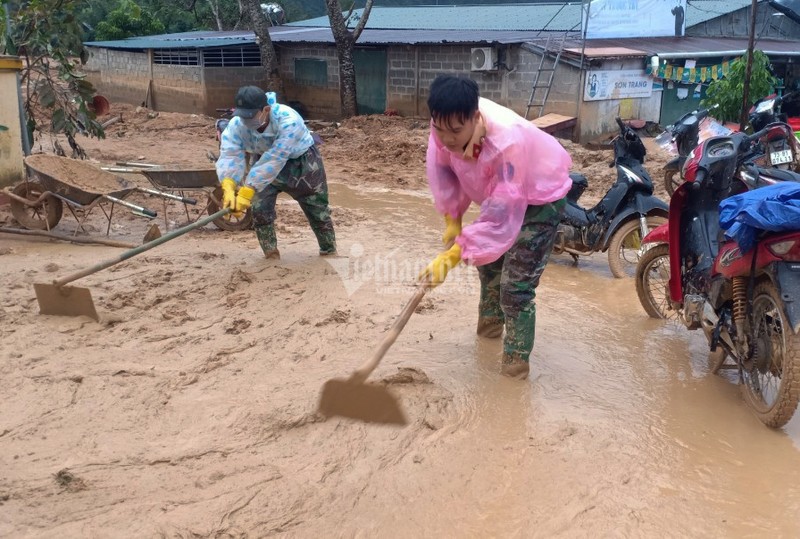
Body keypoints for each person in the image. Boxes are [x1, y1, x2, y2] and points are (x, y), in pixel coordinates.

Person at [418, 75, 572, 380]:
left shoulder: (506, 142)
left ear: (475, 118)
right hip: (502, 195)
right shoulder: (444, 124)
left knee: (515, 287)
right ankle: (488, 333)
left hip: (539, 197)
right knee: (488, 265)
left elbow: (502, 215)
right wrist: (453, 219)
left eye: (455, 131)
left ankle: (514, 370)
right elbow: (443, 170)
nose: (446, 138)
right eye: (439, 128)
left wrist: (452, 256)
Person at [216, 85, 336, 258]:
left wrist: (248, 190)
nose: (245, 121)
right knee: (260, 209)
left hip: (301, 163)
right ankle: (271, 256)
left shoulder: (288, 120)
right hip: (261, 162)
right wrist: (228, 185)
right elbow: (230, 153)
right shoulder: (237, 125)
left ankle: (329, 251)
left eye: (250, 116)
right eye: (242, 116)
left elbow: (276, 157)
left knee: (317, 208)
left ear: (265, 109)